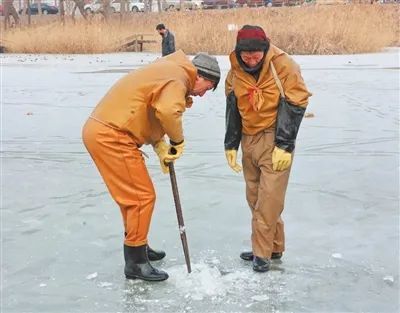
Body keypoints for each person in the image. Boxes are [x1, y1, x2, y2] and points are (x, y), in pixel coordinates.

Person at [82, 50, 221, 282]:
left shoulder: (170, 71)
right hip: (112, 136)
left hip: (106, 132)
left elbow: (150, 108)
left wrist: (159, 144)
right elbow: (168, 111)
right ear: (200, 76)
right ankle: (136, 262)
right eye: (207, 88)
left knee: (134, 198)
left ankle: (139, 245)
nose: (202, 94)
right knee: (141, 197)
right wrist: (177, 141)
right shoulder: (178, 78)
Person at [224, 25, 312, 273]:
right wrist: (230, 143)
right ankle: (273, 246)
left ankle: (261, 254)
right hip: (248, 140)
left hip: (275, 138)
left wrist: (285, 145)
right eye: (246, 56)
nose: (251, 60)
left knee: (269, 200)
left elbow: (297, 101)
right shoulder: (234, 71)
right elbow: (233, 106)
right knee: (255, 197)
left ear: (265, 49)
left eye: (256, 56)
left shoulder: (284, 66)